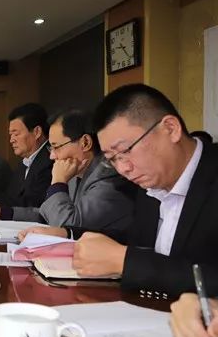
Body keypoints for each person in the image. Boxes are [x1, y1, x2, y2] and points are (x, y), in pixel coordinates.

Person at [28, 84, 218, 298]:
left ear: (170, 128)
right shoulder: (150, 180)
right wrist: (68, 234)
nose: (123, 168)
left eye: (125, 151)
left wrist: (125, 262)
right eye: (112, 159)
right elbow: (138, 240)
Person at [0, 110, 136, 234]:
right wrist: (2, 212)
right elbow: (47, 214)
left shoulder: (108, 177)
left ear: (85, 142)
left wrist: (58, 183)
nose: (52, 156)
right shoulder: (76, 172)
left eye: (56, 147)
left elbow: (68, 225)